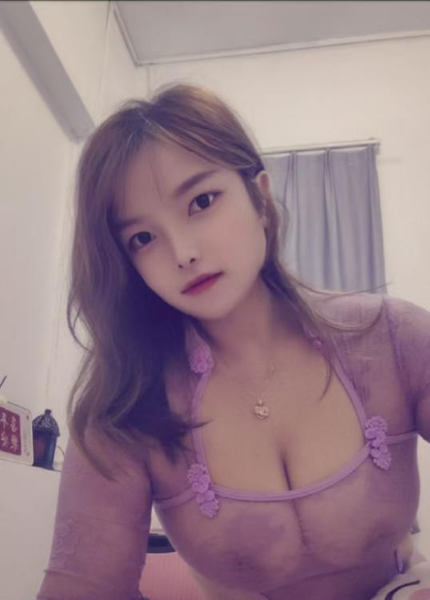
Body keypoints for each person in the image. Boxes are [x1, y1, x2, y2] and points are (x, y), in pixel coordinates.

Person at [36, 83, 430, 600]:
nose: (182, 252)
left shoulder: (394, 339)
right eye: (142, 238)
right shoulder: (123, 413)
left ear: (260, 197)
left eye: (202, 201)